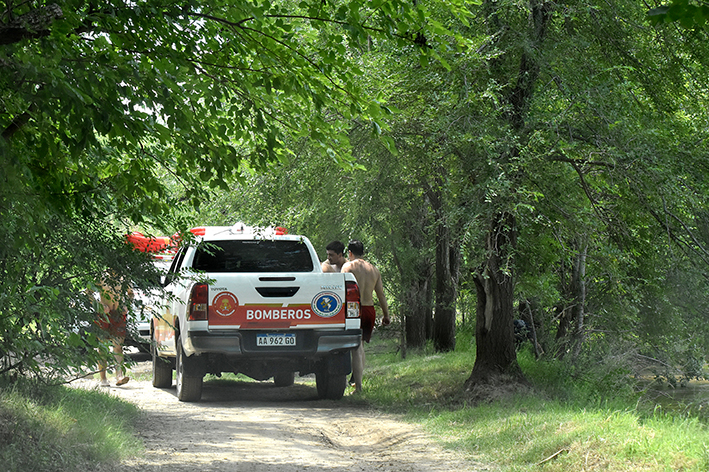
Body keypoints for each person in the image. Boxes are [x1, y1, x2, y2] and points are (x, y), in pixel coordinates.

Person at [341, 240, 390, 392]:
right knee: (360, 346)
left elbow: (340, 288)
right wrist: (386, 315)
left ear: (350, 253)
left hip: (353, 308)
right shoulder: (373, 269)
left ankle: (355, 386)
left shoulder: (348, 267)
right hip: (369, 309)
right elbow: (381, 295)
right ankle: (358, 384)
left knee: (353, 348)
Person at [94, 278, 131, 387]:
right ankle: (103, 378)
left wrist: (127, 304)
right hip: (104, 314)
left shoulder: (124, 276)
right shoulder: (101, 276)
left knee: (118, 346)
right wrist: (99, 304)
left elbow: (130, 293)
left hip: (118, 314)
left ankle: (119, 376)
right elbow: (88, 293)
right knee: (103, 347)